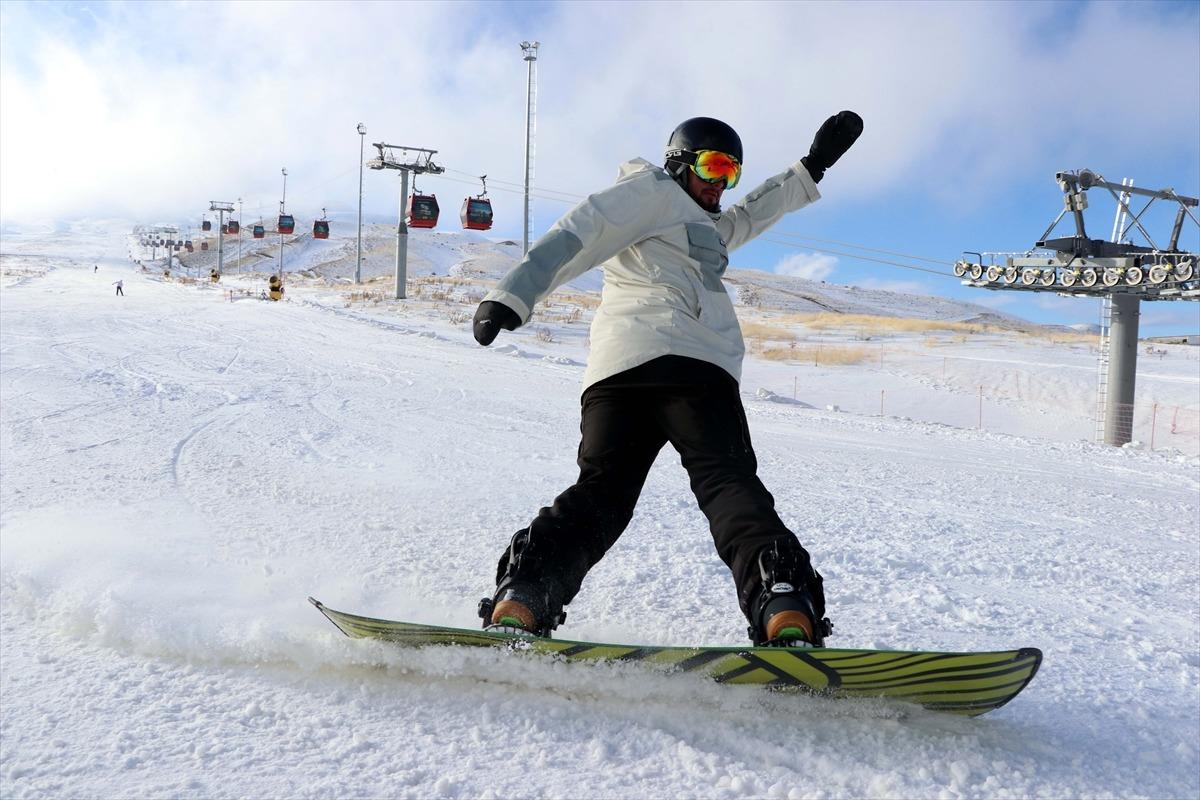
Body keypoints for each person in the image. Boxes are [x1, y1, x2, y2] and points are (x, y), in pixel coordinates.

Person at [471, 112, 863, 647]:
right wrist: (512, 295)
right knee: (728, 486)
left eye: (733, 172)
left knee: (602, 495)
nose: (722, 183)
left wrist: (812, 166)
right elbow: (580, 232)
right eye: (714, 165)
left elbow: (750, 216)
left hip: (623, 372)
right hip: (690, 372)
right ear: (679, 162)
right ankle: (783, 599)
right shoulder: (649, 191)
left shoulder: (701, 224)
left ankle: (526, 595)